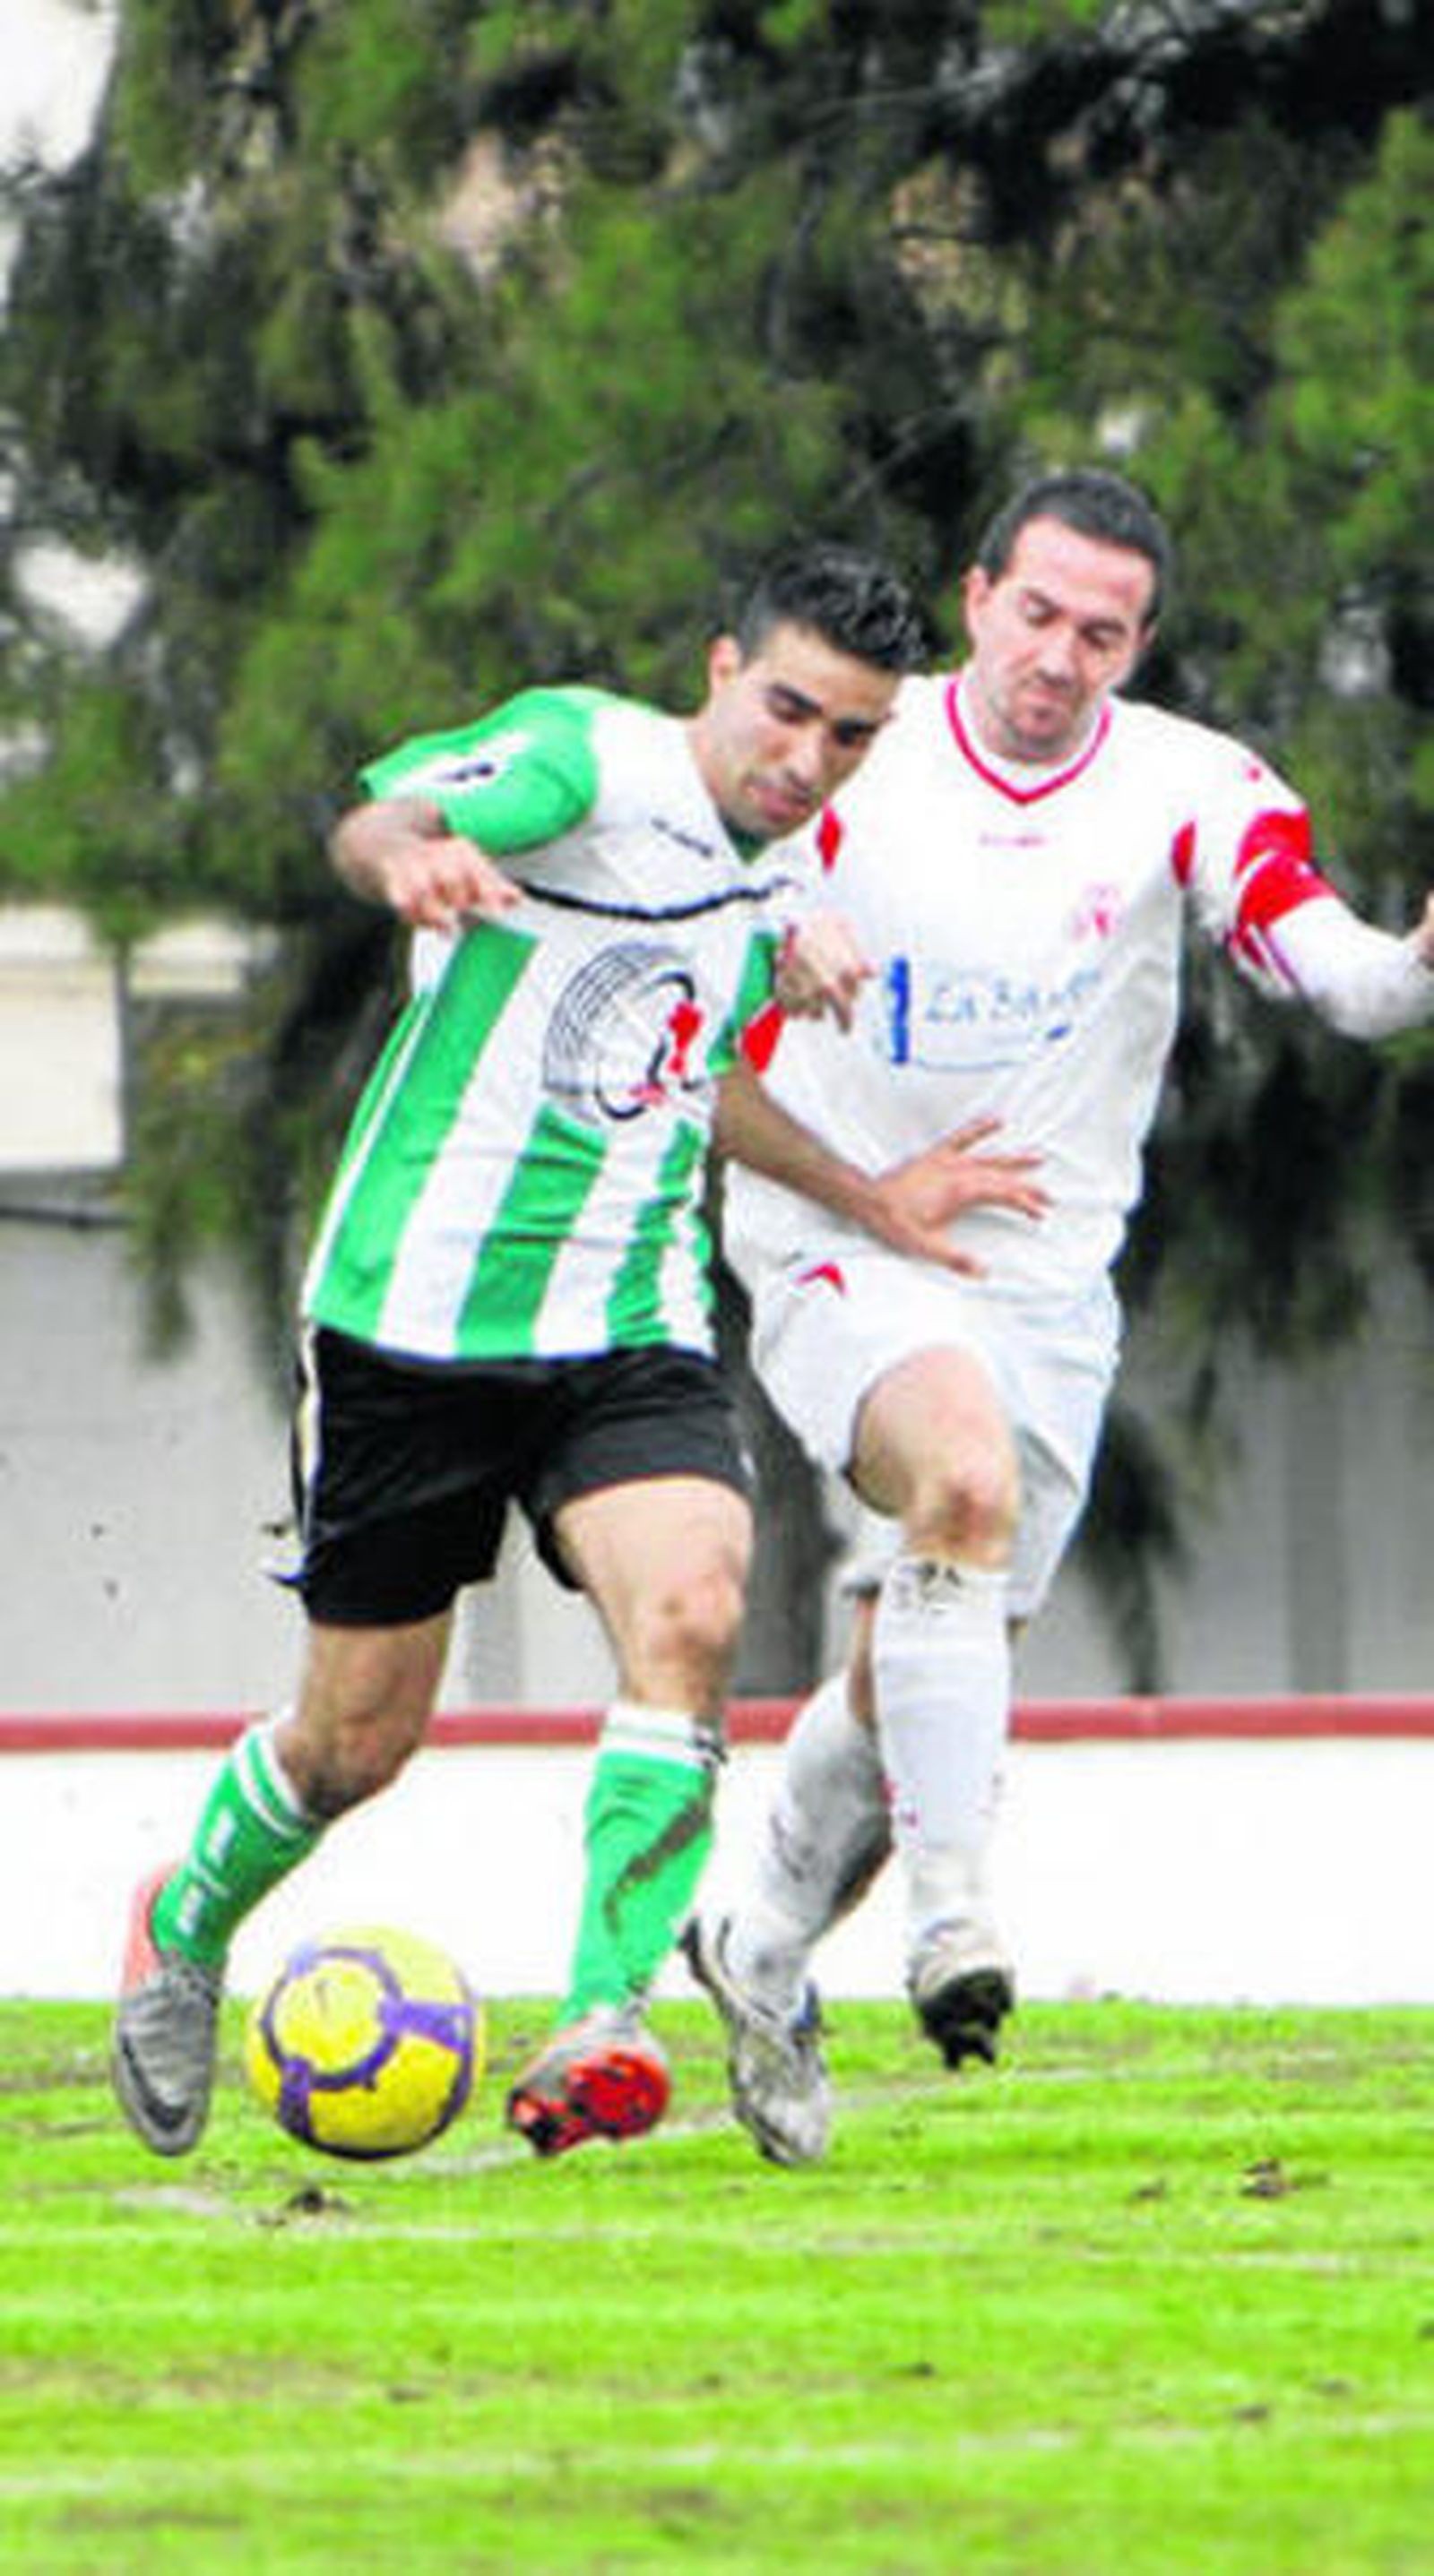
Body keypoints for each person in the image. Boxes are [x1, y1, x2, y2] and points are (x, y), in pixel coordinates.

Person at [111, 541, 1041, 2166]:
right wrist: (414, 861)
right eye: (788, 711)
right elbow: (379, 816)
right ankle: (181, 1925)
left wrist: (862, 1188)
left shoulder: (789, 860)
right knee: (354, 1745)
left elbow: (695, 1077)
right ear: (716, 670)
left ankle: (607, 2016)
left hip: (623, 1321)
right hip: (412, 1322)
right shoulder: (582, 760)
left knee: (690, 1607)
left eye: (851, 736)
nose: (807, 759)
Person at [687, 466, 1434, 2167]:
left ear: (1139, 644)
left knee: (924, 1667)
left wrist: (1419, 964)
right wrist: (786, 972)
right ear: (977, 601)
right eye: (1037, 615)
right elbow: (704, 926)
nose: (1061, 657)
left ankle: (760, 1945)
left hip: (1046, 1280)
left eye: (1102, 632)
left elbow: (1331, 967)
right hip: (835, 1233)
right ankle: (957, 1918)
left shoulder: (1192, 786)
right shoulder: (853, 756)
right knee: (954, 1479)